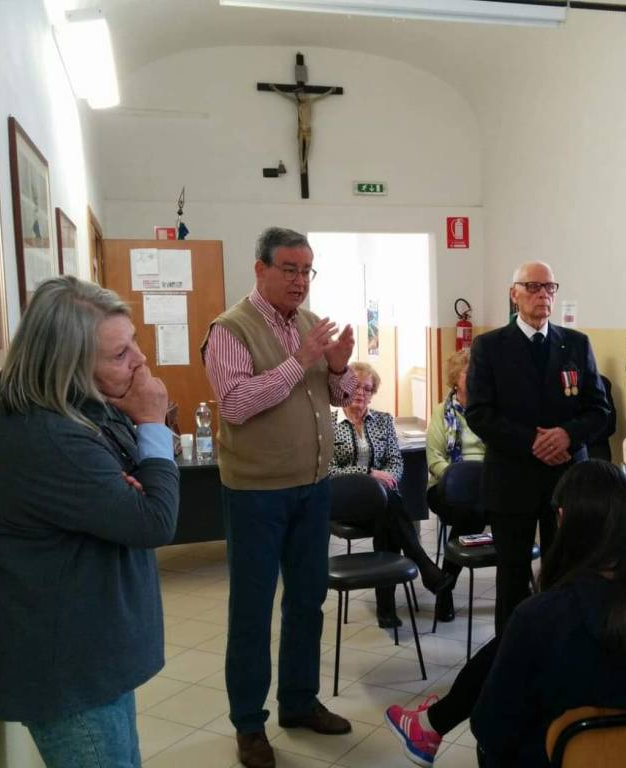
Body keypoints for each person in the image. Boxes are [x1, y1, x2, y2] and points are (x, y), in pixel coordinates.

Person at [385, 460, 626, 767]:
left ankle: (429, 725)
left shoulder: (541, 619)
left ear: (562, 520)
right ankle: (429, 724)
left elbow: (490, 731)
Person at [0, 276, 179, 767]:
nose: (140, 362)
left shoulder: (79, 413)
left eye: (133, 344)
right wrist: (151, 423)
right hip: (70, 671)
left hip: (94, 658)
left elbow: (144, 487)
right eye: (119, 354)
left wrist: (137, 476)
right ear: (67, 366)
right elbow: (155, 519)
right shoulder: (48, 439)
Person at [202, 227, 356, 768]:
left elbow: (337, 396)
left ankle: (298, 701)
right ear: (260, 269)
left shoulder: (312, 326)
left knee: (307, 601)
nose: (299, 281)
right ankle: (249, 724)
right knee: (251, 611)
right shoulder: (230, 329)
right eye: (289, 269)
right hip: (255, 495)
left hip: (312, 490)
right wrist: (301, 359)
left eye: (307, 270)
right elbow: (237, 403)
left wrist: (338, 366)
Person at [466, 261, 611, 633]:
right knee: (512, 578)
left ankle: (563, 652)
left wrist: (566, 434)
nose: (542, 294)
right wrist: (534, 441)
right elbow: (479, 414)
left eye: (549, 287)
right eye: (532, 286)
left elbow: (599, 411)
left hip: (566, 478)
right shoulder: (489, 346)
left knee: (565, 573)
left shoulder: (576, 344)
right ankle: (510, 659)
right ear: (514, 294)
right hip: (512, 480)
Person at [330, 361, 452, 628]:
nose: (362, 393)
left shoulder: (384, 421)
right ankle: (424, 566)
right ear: (343, 388)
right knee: (390, 508)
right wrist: (370, 474)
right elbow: (329, 470)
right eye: (356, 386)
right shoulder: (329, 424)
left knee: (387, 513)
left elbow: (396, 463)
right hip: (345, 504)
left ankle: (387, 606)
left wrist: (387, 479)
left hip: (381, 505)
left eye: (368, 388)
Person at [426, 348, 487, 622]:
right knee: (471, 513)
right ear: (455, 378)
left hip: (485, 484)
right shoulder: (442, 412)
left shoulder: (487, 411)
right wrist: (456, 479)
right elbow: (434, 457)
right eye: (467, 372)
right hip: (445, 486)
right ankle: (446, 588)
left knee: (479, 511)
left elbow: (498, 450)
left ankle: (445, 585)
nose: (473, 377)